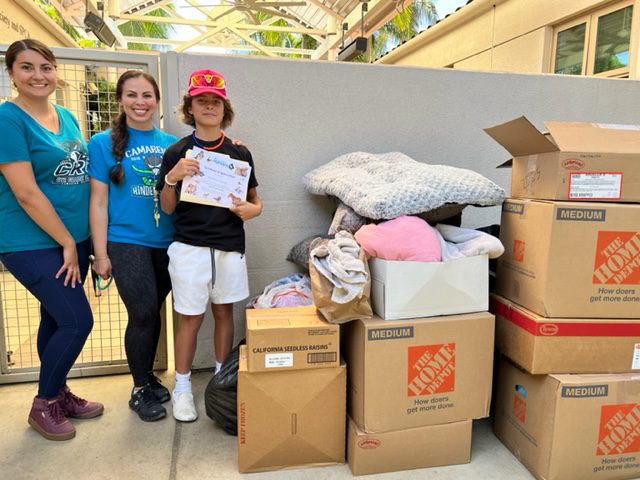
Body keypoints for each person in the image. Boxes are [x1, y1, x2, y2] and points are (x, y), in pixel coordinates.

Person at [0, 39, 103, 441]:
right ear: (11, 74)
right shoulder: (8, 119)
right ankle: (43, 404)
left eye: (46, 67)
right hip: (32, 242)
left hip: (72, 239)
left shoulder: (65, 115)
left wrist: (81, 239)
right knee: (77, 321)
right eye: (27, 67)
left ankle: (58, 392)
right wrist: (65, 241)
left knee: (55, 317)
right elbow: (26, 192)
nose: (38, 76)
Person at [157, 69, 263, 422]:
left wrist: (253, 210)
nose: (208, 106)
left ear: (224, 108)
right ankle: (183, 388)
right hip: (190, 247)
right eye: (200, 100)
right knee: (190, 317)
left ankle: (220, 382)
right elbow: (167, 208)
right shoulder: (177, 152)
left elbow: (255, 201)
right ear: (189, 107)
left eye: (215, 101)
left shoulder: (239, 152)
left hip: (229, 246)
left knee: (224, 312)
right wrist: (172, 177)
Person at [88, 70, 178, 422]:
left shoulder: (171, 143)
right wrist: (101, 254)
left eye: (147, 95)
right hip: (126, 241)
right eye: (132, 95)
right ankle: (139, 388)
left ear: (157, 101)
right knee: (141, 312)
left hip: (167, 241)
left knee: (152, 311)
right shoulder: (102, 143)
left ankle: (148, 374)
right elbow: (98, 202)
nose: (140, 102)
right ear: (120, 100)